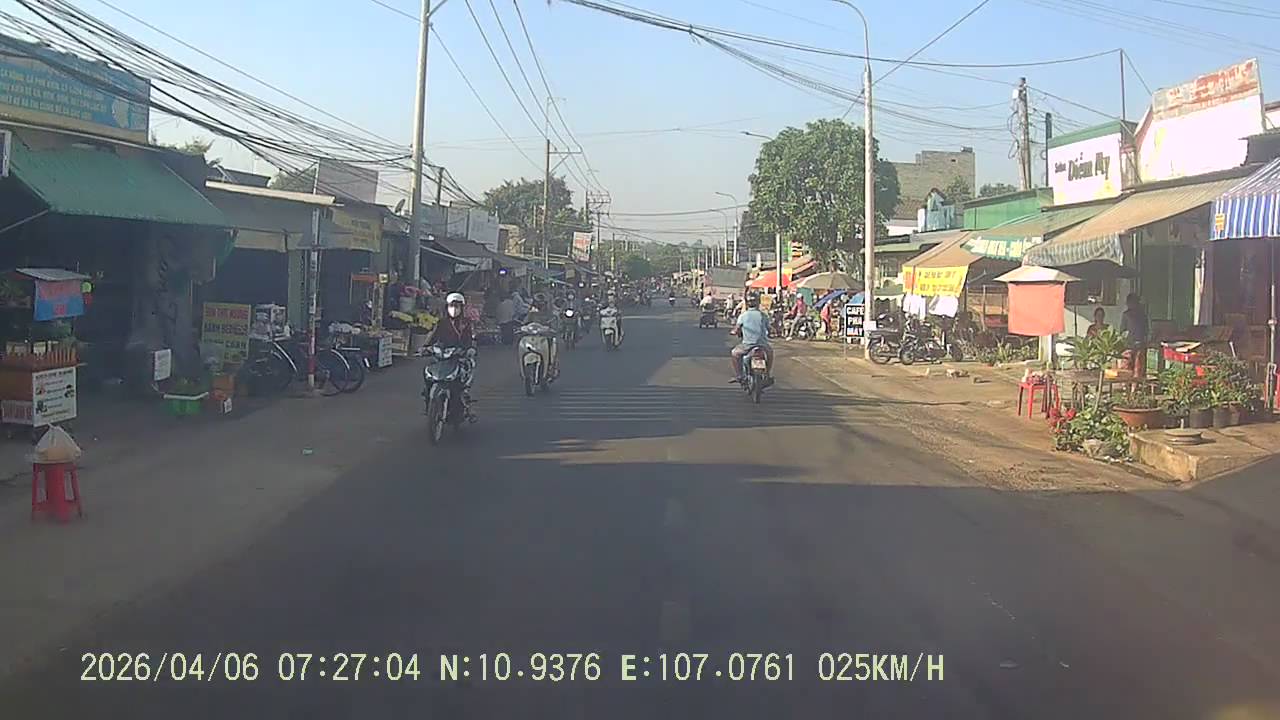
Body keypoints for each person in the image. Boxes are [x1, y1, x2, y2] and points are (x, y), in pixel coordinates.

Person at [424, 293, 477, 420]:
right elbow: (432, 337)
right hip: (442, 356)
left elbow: (470, 339)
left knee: (459, 383)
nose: (454, 309)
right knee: (428, 374)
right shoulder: (441, 323)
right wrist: (425, 347)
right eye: (451, 306)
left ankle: (464, 405)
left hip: (459, 356)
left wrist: (469, 349)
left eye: (457, 306)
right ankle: (428, 401)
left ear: (461, 308)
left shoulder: (466, 324)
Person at [731, 293, 773, 382]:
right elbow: (770, 329)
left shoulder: (743, 315)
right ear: (758, 303)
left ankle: (739, 375)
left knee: (734, 353)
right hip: (762, 345)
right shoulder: (763, 315)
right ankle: (767, 374)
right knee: (770, 354)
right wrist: (772, 333)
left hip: (747, 345)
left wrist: (734, 332)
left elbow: (737, 329)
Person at [1121, 293, 1149, 380]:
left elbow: (1146, 330)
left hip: (1140, 344)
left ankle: (1134, 386)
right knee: (1127, 367)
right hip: (1128, 345)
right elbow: (1122, 330)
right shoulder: (1126, 315)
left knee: (1138, 368)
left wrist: (1144, 341)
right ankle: (1126, 385)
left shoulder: (1142, 315)